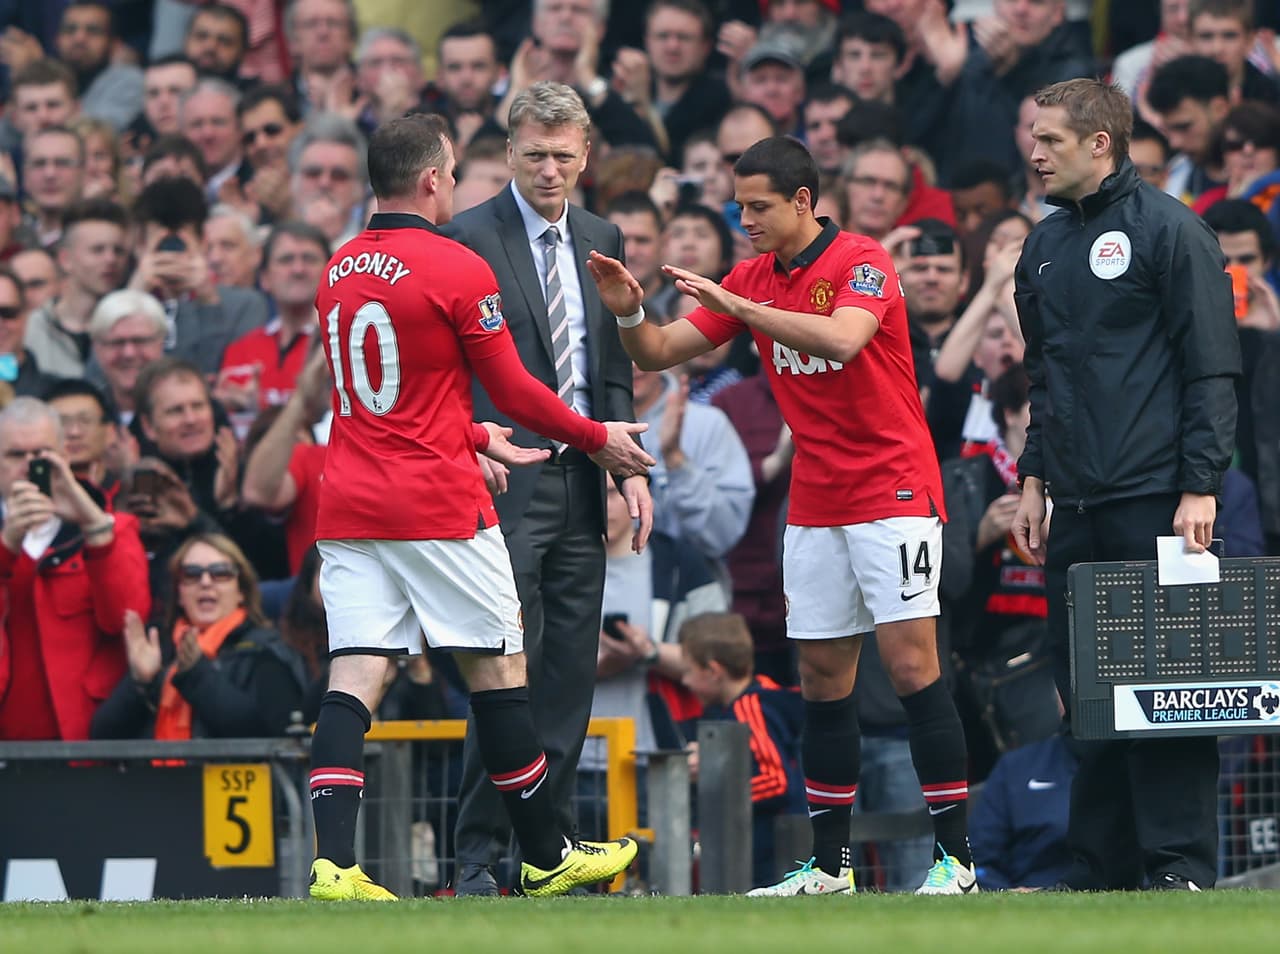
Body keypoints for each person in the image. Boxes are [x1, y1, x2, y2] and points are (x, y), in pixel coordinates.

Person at [587, 134, 976, 895]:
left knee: (910, 668)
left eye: (758, 205)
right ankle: (831, 870)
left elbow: (842, 337)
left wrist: (741, 304)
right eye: (738, 205)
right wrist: (631, 311)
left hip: (894, 490)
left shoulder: (863, 261)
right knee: (823, 678)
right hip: (818, 500)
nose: (744, 219)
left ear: (803, 200)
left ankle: (956, 861)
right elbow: (663, 350)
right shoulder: (754, 276)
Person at [306, 111, 651, 901]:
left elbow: (377, 395)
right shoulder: (455, 265)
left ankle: (335, 864)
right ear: (432, 180)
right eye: (454, 172)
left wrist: (471, 432)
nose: (456, 185)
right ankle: (546, 853)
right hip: (434, 503)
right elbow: (523, 388)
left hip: (352, 505)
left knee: (355, 675)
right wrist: (596, 435)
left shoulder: (339, 266)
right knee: (500, 668)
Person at [1010, 78, 1240, 891]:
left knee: (1168, 688)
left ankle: (1178, 867)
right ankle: (1099, 871)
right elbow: (1043, 377)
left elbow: (1212, 367)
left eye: (1051, 140)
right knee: (1087, 696)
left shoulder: (1174, 232)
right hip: (1071, 500)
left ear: (1100, 142)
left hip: (1158, 499)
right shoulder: (1040, 248)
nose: (1034, 152)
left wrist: (1200, 485)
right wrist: (1032, 474)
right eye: (1034, 138)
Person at [443, 82, 654, 897]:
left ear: (586, 155)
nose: (551, 170)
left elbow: (610, 367)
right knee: (504, 672)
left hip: (581, 484)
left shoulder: (602, 234)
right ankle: (475, 859)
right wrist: (467, 444)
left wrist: (628, 471)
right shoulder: (466, 236)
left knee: (567, 672)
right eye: (535, 154)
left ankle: (547, 852)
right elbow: (449, 368)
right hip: (502, 479)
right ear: (507, 152)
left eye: (565, 155)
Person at [0, 397, 150, 740]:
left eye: (41, 454)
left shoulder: (114, 526)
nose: (28, 466)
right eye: (14, 455)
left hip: (88, 742)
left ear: (64, 456)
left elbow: (125, 619)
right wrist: (7, 545)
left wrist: (96, 527)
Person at [89, 533, 307, 739]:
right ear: (179, 594)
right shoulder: (160, 648)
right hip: (157, 779)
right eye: (191, 575)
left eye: (220, 573)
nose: (205, 582)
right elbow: (102, 735)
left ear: (241, 590)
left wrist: (195, 674)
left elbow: (267, 731)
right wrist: (140, 683)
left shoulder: (265, 649)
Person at [680, 611, 804, 888]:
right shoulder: (765, 694)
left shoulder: (748, 709)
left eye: (687, 671)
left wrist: (718, 787)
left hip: (773, 854)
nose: (684, 681)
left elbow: (777, 781)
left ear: (713, 671)